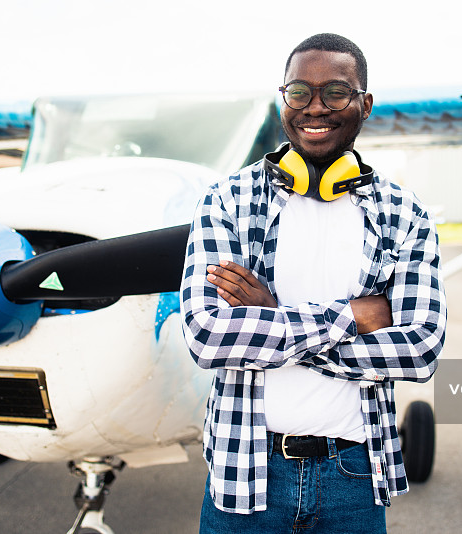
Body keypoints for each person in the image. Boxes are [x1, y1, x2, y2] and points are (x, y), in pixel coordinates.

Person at [180, 33, 446, 533]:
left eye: (336, 92)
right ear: (284, 100)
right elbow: (208, 337)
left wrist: (270, 314)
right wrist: (353, 316)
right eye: (299, 92)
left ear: (364, 104)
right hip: (247, 473)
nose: (315, 108)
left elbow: (419, 349)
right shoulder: (227, 202)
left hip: (354, 476)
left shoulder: (405, 216)